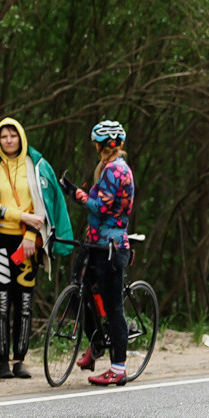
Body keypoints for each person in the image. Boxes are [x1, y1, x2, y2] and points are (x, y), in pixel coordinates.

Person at [0, 117, 74, 379]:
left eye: (13, 135)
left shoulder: (37, 165)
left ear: (21, 137)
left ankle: (19, 360)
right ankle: (2, 362)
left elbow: (44, 204)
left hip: (28, 243)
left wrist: (31, 233)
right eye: (4, 136)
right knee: (1, 302)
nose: (9, 140)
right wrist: (20, 216)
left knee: (24, 302)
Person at [70, 120, 136, 387]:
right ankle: (97, 343)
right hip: (96, 243)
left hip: (111, 247)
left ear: (102, 145)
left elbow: (101, 207)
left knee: (113, 307)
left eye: (95, 143)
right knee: (79, 290)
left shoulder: (116, 170)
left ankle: (118, 368)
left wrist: (77, 194)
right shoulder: (107, 168)